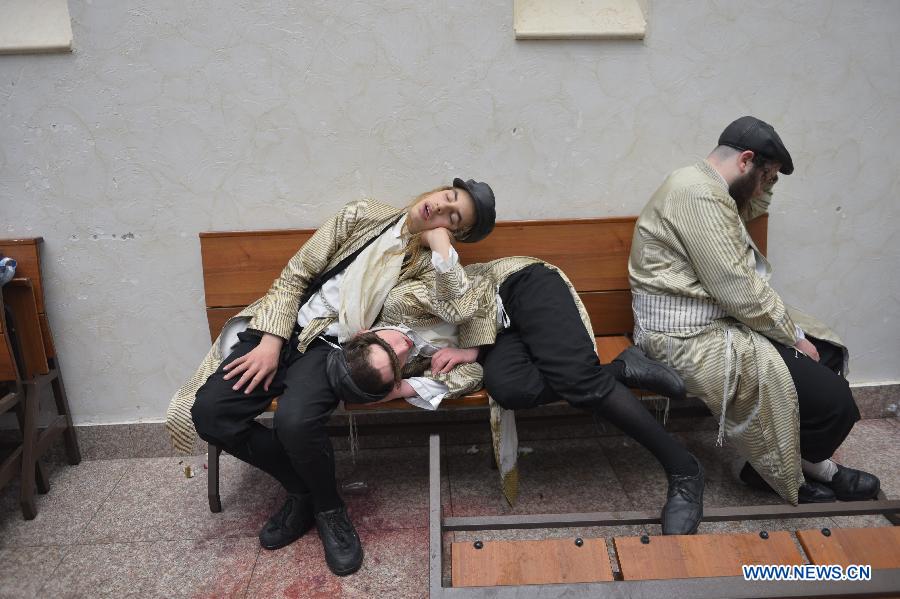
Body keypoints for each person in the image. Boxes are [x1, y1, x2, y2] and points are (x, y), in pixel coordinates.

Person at [165, 178, 496, 576]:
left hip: (333, 349)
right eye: (448, 197)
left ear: (455, 231)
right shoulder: (362, 215)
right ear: (437, 189)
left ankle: (329, 510)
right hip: (282, 327)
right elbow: (296, 275)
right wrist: (271, 341)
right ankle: (303, 490)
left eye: (453, 217)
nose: (440, 209)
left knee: (295, 422)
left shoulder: (432, 270)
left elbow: (460, 307)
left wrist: (442, 247)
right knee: (210, 413)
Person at [338, 257, 706, 535]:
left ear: (365, 333)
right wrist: (402, 387)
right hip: (501, 335)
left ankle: (683, 469)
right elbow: (470, 376)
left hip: (517, 288)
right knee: (511, 389)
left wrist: (471, 347)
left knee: (580, 382)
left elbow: (468, 293)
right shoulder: (406, 363)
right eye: (397, 364)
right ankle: (623, 370)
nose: (402, 349)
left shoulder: (399, 302)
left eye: (388, 347)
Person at [628, 116, 880, 506]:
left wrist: (765, 176)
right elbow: (739, 290)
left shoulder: (707, 185)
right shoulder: (698, 194)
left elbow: (749, 207)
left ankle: (796, 461)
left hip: (711, 320)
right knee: (835, 403)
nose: (766, 187)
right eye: (767, 176)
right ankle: (779, 470)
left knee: (827, 354)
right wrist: (793, 336)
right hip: (684, 338)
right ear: (745, 159)